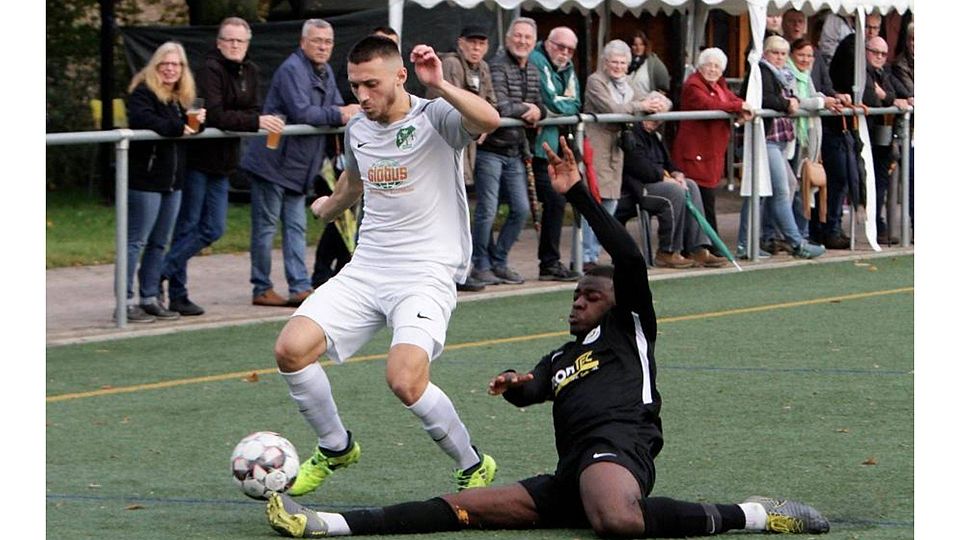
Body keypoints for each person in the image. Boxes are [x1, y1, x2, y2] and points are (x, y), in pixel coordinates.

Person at [264, 137, 831, 539]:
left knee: (616, 520)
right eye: (575, 295)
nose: (578, 302)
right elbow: (533, 391)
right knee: (461, 508)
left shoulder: (629, 327)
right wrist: (516, 384)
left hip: (619, 449)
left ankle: (755, 514)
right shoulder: (561, 357)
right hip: (571, 472)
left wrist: (580, 195)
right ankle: (325, 525)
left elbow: (628, 257)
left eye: (590, 296)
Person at [272, 36, 502, 498]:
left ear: (400, 76)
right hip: (367, 269)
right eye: (355, 85)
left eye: (371, 84)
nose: (362, 95)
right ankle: (335, 447)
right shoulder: (358, 126)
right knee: (291, 350)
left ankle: (472, 463)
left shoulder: (433, 117)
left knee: (403, 379)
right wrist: (329, 208)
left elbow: (489, 119)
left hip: (425, 273)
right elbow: (355, 179)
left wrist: (439, 84)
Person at [159, 17, 284, 317]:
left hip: (225, 161)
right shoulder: (208, 70)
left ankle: (159, 272)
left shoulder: (250, 70)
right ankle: (173, 288)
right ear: (219, 42)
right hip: (198, 160)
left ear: (247, 43)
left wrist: (244, 117)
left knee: (214, 228)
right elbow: (214, 114)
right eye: (229, 40)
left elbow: (251, 108)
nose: (234, 45)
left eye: (240, 41)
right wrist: (251, 121)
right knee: (188, 226)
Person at [240, 19, 361, 307]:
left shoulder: (326, 71)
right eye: (317, 40)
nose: (322, 46)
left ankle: (299, 286)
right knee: (266, 227)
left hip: (299, 167)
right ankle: (261, 287)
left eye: (328, 42)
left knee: (296, 227)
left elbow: (325, 108)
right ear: (303, 42)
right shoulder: (292, 69)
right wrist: (341, 113)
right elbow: (302, 112)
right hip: (272, 163)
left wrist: (337, 112)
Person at [120, 41, 204, 323]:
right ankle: (126, 301)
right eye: (165, 64)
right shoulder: (143, 92)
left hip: (173, 182)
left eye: (176, 65)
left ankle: (149, 297)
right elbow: (145, 120)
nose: (170, 69)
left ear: (183, 69)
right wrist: (178, 127)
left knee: (160, 243)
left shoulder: (182, 97)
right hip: (145, 179)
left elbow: (190, 129)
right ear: (155, 66)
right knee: (135, 241)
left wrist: (196, 123)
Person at [581, 40, 669, 270]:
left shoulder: (628, 85)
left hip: (617, 150)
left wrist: (657, 104)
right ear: (605, 62)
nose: (618, 66)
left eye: (622, 62)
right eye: (614, 62)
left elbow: (655, 101)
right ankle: (586, 257)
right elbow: (612, 109)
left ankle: (595, 254)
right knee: (594, 203)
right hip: (597, 148)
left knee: (610, 204)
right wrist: (642, 104)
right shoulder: (595, 81)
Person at [736, 36, 825, 260]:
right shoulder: (761, 72)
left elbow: (784, 97)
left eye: (783, 53)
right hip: (766, 140)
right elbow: (765, 99)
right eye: (775, 52)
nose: (780, 57)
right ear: (765, 53)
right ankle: (796, 243)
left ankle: (745, 243)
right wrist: (787, 104)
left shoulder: (781, 75)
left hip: (778, 140)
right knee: (779, 190)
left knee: (765, 190)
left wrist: (791, 101)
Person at [470, 17, 543, 286]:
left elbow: (541, 106)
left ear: (534, 43)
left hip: (515, 150)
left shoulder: (533, 69)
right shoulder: (497, 66)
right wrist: (527, 109)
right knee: (486, 210)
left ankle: (499, 261)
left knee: (521, 210)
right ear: (509, 38)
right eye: (518, 36)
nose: (522, 41)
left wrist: (536, 110)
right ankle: (481, 264)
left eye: (528, 37)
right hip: (490, 149)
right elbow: (498, 106)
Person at [425, 23, 498, 292]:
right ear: (460, 42)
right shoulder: (451, 65)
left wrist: (482, 122)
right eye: (472, 42)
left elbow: (491, 102)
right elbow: (451, 103)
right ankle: (451, 272)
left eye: (481, 43)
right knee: (444, 212)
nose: (476, 47)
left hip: (467, 150)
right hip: (442, 149)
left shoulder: (484, 68)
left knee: (459, 210)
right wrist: (477, 121)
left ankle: (460, 270)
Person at [617, 115, 730, 269]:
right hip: (639, 187)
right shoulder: (632, 133)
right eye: (651, 117)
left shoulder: (656, 136)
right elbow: (637, 166)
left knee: (690, 185)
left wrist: (677, 174)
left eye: (659, 118)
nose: (655, 122)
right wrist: (664, 177)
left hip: (661, 181)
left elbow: (669, 163)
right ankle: (667, 251)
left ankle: (697, 248)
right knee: (674, 191)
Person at [671, 48, 753, 235]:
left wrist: (740, 107)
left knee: (707, 200)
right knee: (701, 201)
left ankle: (707, 245)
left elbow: (731, 99)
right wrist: (738, 106)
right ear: (700, 66)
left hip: (712, 154)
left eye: (717, 66)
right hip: (695, 154)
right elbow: (708, 104)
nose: (712, 69)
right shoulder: (693, 85)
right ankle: (706, 244)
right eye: (709, 65)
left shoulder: (719, 85)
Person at [528, 25, 582, 282]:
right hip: (536, 148)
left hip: (555, 147)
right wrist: (562, 105)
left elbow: (576, 103)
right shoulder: (537, 60)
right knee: (543, 203)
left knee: (558, 201)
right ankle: (548, 262)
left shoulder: (567, 67)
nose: (565, 52)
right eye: (560, 46)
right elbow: (550, 100)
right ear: (548, 43)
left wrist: (561, 105)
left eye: (570, 49)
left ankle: (552, 262)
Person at [785, 37, 843, 239]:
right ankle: (791, 234)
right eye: (801, 55)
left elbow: (813, 94)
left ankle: (802, 233)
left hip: (806, 138)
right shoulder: (788, 73)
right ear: (792, 54)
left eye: (809, 55)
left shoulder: (805, 75)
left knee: (806, 187)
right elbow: (797, 100)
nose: (805, 59)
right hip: (791, 137)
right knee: (792, 188)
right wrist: (821, 102)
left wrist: (829, 99)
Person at [627, 30, 670, 97]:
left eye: (641, 44)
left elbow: (664, 86)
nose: (638, 48)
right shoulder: (625, 62)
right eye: (635, 45)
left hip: (646, 103)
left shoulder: (653, 62)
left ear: (645, 46)